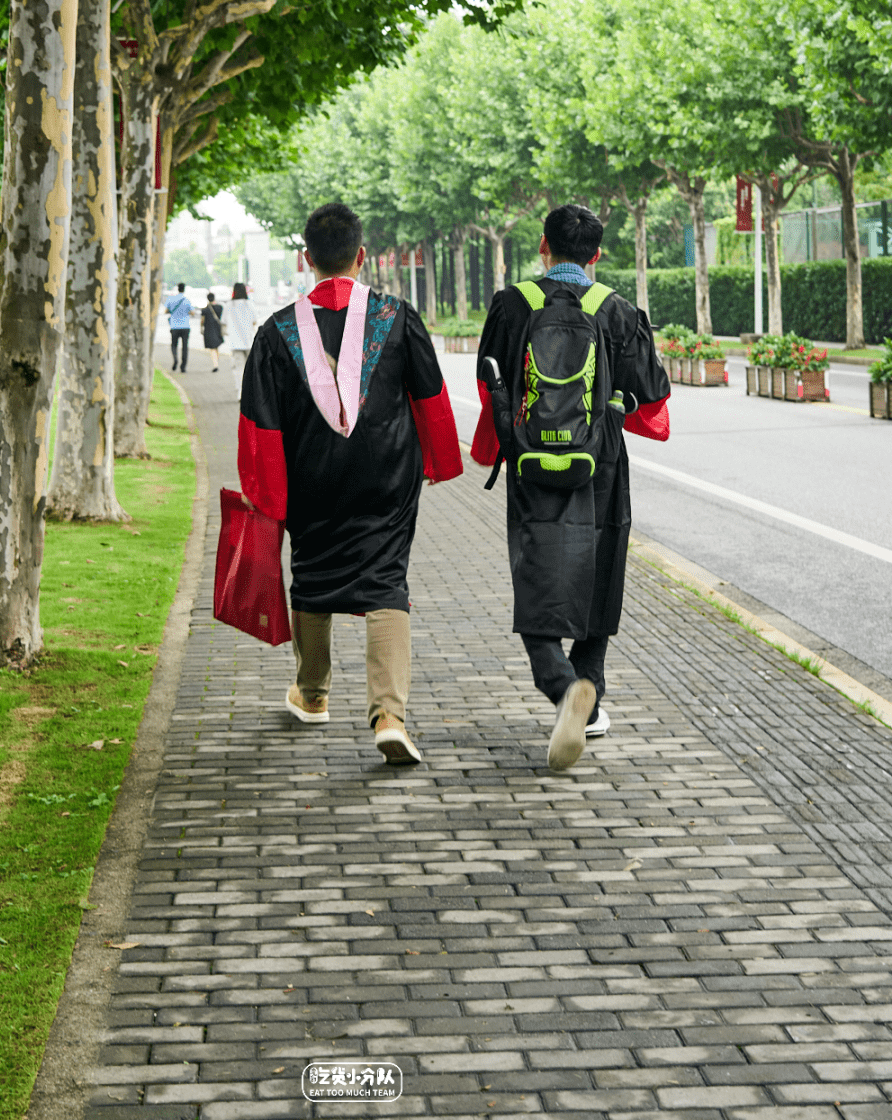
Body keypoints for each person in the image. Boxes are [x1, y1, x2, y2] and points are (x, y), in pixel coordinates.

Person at [238, 202, 463, 764]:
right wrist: (436, 460)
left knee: (312, 576)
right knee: (386, 580)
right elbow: (431, 395)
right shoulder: (397, 315)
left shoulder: (276, 332)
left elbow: (260, 422)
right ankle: (389, 713)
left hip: (311, 478)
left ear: (306, 259)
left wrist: (265, 492)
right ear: (361, 256)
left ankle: (313, 695)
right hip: (386, 477)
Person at [472, 204, 670, 772]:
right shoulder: (616, 309)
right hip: (600, 465)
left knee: (537, 573)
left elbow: (490, 387)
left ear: (543, 245)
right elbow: (651, 395)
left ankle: (562, 687)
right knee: (599, 569)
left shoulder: (513, 304)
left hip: (532, 464)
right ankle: (587, 691)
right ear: (597, 255)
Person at [226, 282, 258, 399]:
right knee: (251, 368)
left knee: (239, 369)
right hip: (249, 341)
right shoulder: (250, 304)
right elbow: (255, 321)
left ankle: (240, 392)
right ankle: (251, 392)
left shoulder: (229, 305)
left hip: (235, 342)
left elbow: (224, 322)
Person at [166, 281, 192, 373]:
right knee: (185, 347)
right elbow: (192, 312)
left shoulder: (171, 299)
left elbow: (166, 310)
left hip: (174, 326)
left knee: (174, 345)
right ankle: (183, 366)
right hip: (185, 326)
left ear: (177, 288)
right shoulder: (187, 300)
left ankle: (175, 359)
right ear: (184, 289)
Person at [202, 291, 224, 372]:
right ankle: (216, 362)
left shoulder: (205, 309)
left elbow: (202, 321)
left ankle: (215, 365)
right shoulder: (220, 307)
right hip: (218, 329)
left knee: (212, 348)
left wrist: (201, 328)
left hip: (209, 330)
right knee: (216, 347)